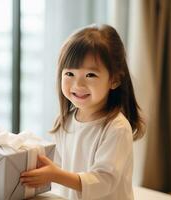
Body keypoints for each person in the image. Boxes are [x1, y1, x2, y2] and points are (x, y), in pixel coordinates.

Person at [20, 24, 145, 200]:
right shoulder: (67, 120)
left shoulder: (116, 128)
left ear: (114, 80)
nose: (78, 85)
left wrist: (56, 175)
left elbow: (104, 180)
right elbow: (59, 164)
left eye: (90, 75)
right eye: (70, 73)